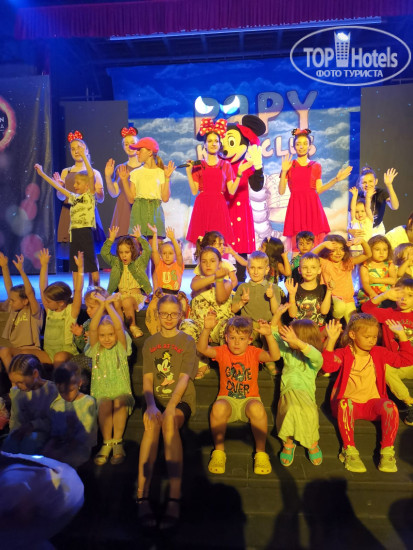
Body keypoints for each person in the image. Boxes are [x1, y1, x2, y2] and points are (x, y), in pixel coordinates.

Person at [322, 314, 413, 473]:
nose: (372, 340)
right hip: (350, 405)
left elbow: (406, 359)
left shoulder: (379, 352)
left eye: (374, 337)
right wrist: (330, 341)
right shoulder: (344, 353)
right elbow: (328, 366)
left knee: (390, 406)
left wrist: (402, 335)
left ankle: (387, 452)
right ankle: (349, 451)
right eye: (367, 337)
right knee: (345, 404)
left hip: (372, 404)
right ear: (352, 334)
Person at [137, 295, 197, 530]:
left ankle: (174, 496)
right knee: (151, 424)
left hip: (180, 400)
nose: (169, 318)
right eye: (165, 314)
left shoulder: (187, 341)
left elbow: (183, 378)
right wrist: (151, 404)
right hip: (157, 399)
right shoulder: (150, 342)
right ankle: (142, 495)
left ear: (181, 315)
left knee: (169, 422)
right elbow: (147, 379)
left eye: (174, 314)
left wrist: (171, 405)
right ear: (158, 315)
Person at [197, 315, 278, 475]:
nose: (236, 342)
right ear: (226, 337)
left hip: (250, 399)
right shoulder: (222, 351)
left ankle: (261, 453)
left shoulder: (253, 352)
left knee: (257, 408)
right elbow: (202, 349)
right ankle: (219, 452)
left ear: (249, 340)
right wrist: (206, 329)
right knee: (218, 407)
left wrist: (269, 335)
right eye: (233, 337)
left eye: (241, 339)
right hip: (227, 399)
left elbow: (274, 356)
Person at [279, 128, 352, 252]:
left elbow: (319, 189)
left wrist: (336, 179)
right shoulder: (289, 165)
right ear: (294, 147)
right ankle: (297, 265)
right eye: (298, 144)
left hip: (312, 207)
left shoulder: (316, 166)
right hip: (296, 207)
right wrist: (284, 171)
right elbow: (281, 191)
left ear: (309, 146)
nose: (301, 146)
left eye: (305, 143)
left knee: (314, 244)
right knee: (298, 245)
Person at [270, 311, 324, 467]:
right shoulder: (287, 352)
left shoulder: (314, 359)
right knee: (290, 410)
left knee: (309, 411)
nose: (287, 338)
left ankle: (312, 442)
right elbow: (273, 333)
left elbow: (317, 356)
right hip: (288, 392)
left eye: (291, 335)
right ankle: (289, 442)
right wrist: (278, 314)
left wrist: (297, 342)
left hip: (306, 395)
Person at [85, 293, 134, 466]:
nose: (107, 339)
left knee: (120, 401)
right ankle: (106, 443)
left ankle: (117, 442)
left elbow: (119, 327)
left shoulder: (121, 347)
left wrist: (109, 306)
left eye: (111, 334)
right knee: (105, 403)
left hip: (121, 390)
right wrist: (102, 305)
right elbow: (93, 329)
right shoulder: (96, 348)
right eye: (103, 335)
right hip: (102, 391)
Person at [185, 118, 248, 246]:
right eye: (210, 141)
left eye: (216, 141)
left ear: (220, 144)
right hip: (202, 205)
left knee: (218, 243)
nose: (213, 144)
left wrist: (239, 173)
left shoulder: (225, 165)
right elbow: (194, 191)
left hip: (219, 206)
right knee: (202, 243)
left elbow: (231, 190)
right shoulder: (199, 165)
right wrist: (188, 172)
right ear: (204, 144)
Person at [35, 159, 97, 287]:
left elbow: (91, 174)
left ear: (87, 186)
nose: (74, 185)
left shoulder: (90, 196)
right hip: (74, 233)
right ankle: (76, 290)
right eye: (74, 183)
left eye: (78, 183)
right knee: (74, 264)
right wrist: (42, 174)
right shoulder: (73, 197)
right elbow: (57, 186)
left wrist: (84, 156)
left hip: (85, 232)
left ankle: (96, 288)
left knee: (91, 264)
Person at [56, 131, 105, 284]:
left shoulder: (94, 172)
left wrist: (98, 191)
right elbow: (61, 197)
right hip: (70, 214)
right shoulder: (66, 171)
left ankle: (94, 287)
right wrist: (59, 187)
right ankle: (77, 290)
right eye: (72, 148)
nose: (76, 151)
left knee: (91, 254)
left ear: (86, 150)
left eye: (79, 147)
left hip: (87, 215)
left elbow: (101, 198)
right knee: (75, 254)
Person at [361, 280, 413, 425]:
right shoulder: (388, 314)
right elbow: (366, 309)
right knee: (385, 369)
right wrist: (383, 296)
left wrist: (402, 335)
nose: (404, 299)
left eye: (410, 295)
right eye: (400, 294)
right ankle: (409, 402)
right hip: (396, 363)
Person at [180, 246, 233, 379]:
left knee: (229, 327)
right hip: (200, 324)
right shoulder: (197, 280)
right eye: (204, 261)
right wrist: (214, 276)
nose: (208, 264)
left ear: (220, 264)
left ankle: (227, 364)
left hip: (219, 325)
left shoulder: (227, 283)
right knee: (186, 325)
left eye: (212, 261)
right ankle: (200, 362)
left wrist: (219, 279)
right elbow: (194, 286)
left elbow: (220, 298)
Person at [119, 137, 175, 244]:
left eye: (140, 150)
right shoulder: (135, 173)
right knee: (137, 247)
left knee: (155, 247)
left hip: (155, 212)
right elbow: (131, 199)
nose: (137, 152)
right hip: (138, 211)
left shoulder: (162, 173)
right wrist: (124, 181)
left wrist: (167, 178)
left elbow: (165, 198)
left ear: (150, 152)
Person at [100, 224, 152, 338]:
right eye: (121, 252)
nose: (123, 255)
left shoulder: (139, 263)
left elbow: (148, 251)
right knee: (116, 302)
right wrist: (111, 239)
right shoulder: (116, 263)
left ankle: (133, 326)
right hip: (121, 295)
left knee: (127, 302)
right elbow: (104, 253)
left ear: (133, 251)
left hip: (135, 297)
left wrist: (140, 238)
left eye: (127, 252)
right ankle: (121, 327)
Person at [42, 362, 97, 468]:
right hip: (61, 443)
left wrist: (73, 432)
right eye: (62, 392)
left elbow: (89, 433)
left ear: (80, 382)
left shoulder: (88, 402)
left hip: (79, 446)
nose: (67, 395)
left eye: (70, 390)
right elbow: (54, 431)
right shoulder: (57, 405)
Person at [0, 252, 48, 369]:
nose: (10, 302)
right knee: (4, 349)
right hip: (14, 350)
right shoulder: (13, 308)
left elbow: (30, 293)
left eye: (13, 300)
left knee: (4, 351)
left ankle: (13, 379)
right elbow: (9, 288)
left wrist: (21, 271)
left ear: (25, 301)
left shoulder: (34, 312)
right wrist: (4, 267)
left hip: (31, 350)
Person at [2, 354, 58, 454]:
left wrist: (32, 425)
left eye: (20, 382)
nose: (18, 386)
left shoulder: (53, 391)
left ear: (35, 374)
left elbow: (55, 422)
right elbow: (15, 420)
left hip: (45, 436)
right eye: (14, 382)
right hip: (23, 435)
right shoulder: (16, 392)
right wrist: (14, 434)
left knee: (30, 443)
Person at [38, 248, 83, 366]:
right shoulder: (50, 310)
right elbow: (42, 288)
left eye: (48, 301)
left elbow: (78, 290)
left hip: (65, 352)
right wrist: (44, 265)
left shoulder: (71, 311)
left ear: (61, 303)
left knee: (59, 357)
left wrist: (80, 268)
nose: (45, 303)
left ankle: (57, 378)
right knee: (23, 353)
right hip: (48, 352)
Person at [313, 235, 371, 322]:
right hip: (333, 298)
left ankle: (341, 326)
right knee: (340, 307)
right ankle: (336, 323)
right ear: (327, 250)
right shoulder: (325, 263)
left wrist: (362, 241)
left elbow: (368, 254)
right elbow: (309, 257)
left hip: (348, 299)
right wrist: (323, 245)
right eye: (334, 250)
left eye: (341, 249)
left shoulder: (347, 262)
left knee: (354, 323)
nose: (338, 253)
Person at [105, 127, 140, 235]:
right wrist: (107, 177)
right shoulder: (120, 168)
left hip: (140, 210)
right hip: (123, 210)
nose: (130, 146)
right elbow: (114, 193)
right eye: (126, 144)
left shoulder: (145, 168)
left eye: (133, 143)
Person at [284, 253, 333, 329]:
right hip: (299, 328)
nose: (309, 271)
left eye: (313, 267)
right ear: (299, 270)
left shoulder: (324, 289)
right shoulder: (294, 289)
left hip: (318, 329)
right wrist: (292, 295)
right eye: (305, 267)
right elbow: (292, 314)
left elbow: (324, 311)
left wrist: (329, 291)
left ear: (319, 270)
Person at [355, 166, 399, 234]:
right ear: (360, 184)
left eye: (370, 181)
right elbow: (351, 217)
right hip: (361, 229)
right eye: (364, 182)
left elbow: (395, 206)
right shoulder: (357, 196)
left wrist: (389, 185)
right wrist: (350, 230)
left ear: (376, 181)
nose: (367, 185)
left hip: (377, 229)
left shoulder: (381, 193)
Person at [358, 235, 396, 304]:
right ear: (369, 250)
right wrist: (373, 294)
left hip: (386, 295)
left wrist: (374, 280)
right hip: (370, 295)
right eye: (377, 249)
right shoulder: (365, 266)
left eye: (385, 250)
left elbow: (393, 280)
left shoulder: (389, 265)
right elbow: (365, 283)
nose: (381, 253)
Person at [348, 186, 374, 254]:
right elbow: (352, 208)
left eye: (362, 211)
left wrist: (368, 197)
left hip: (367, 249)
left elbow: (368, 207)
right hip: (355, 250)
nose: (360, 214)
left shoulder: (369, 220)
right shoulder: (354, 221)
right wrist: (354, 196)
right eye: (357, 212)